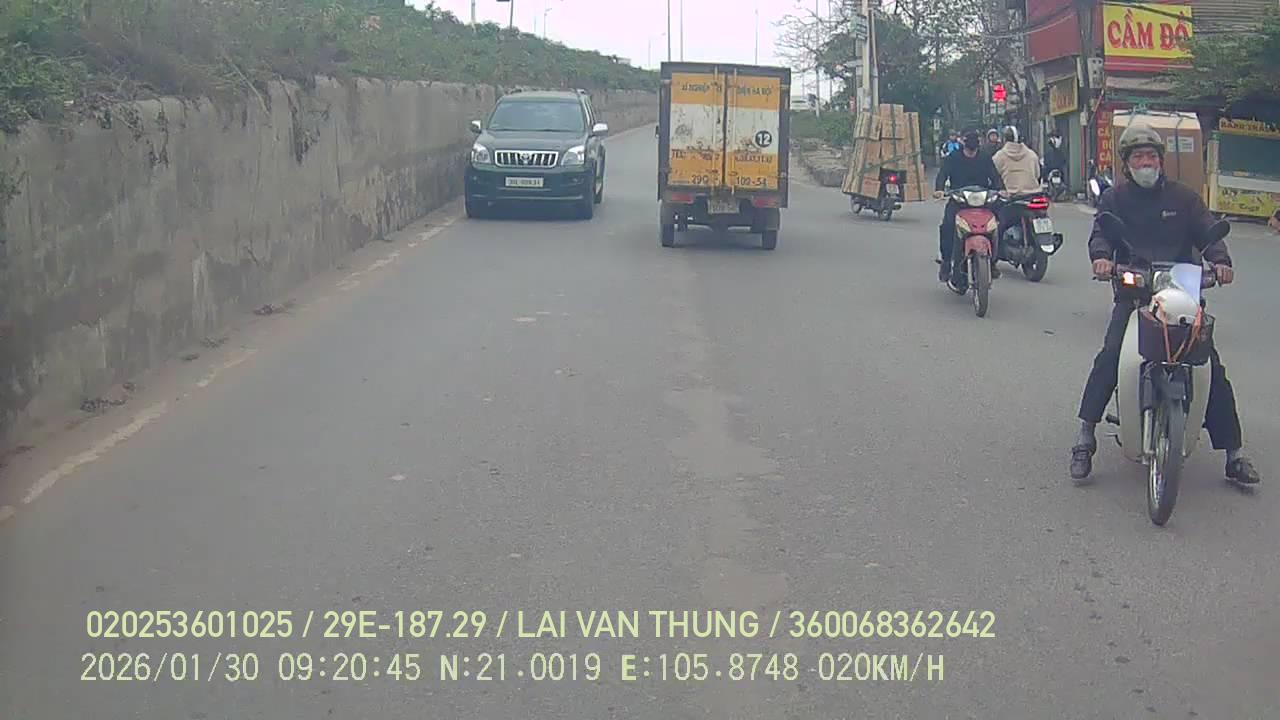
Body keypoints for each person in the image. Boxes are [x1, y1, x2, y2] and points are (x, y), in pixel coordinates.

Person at [1069, 122, 1261, 485]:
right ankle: (1084, 437)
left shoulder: (1184, 198)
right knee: (1111, 356)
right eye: (1138, 157)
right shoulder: (1114, 200)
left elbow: (1208, 232)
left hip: (1182, 293)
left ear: (1161, 161)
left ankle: (1234, 453)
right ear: (1127, 163)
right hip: (1135, 293)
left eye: (1151, 156)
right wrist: (1102, 259)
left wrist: (1220, 261)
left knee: (1210, 366)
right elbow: (1101, 234)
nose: (1146, 163)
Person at [934, 128, 1005, 291]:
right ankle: (946, 262)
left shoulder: (985, 158)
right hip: (959, 201)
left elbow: (995, 177)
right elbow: (942, 175)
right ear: (964, 142)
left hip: (982, 201)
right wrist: (939, 189)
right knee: (947, 227)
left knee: (997, 225)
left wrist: (1001, 189)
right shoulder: (953, 158)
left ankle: (993, 262)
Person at [991, 126, 1043, 278]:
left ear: (1004, 139)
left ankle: (992, 257)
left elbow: (992, 174)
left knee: (995, 225)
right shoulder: (1031, 154)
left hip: (1012, 198)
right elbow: (1037, 173)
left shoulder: (1000, 156)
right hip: (1034, 195)